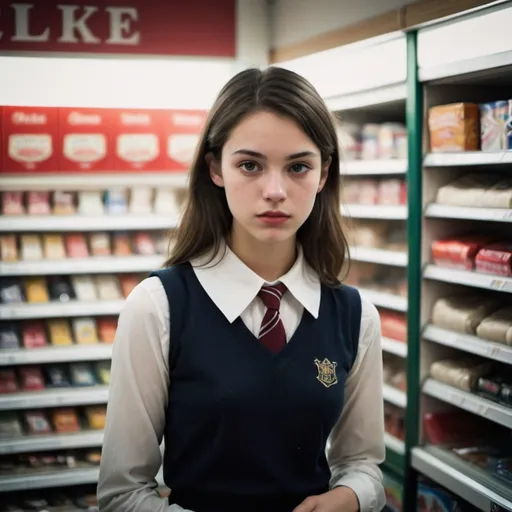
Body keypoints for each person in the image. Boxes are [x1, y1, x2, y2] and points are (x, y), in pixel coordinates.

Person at [97, 66, 385, 512]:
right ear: (215, 168)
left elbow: (363, 463)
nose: (274, 191)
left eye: (298, 167)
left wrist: (350, 497)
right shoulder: (158, 307)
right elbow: (122, 494)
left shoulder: (355, 313)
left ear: (324, 174)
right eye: (250, 165)